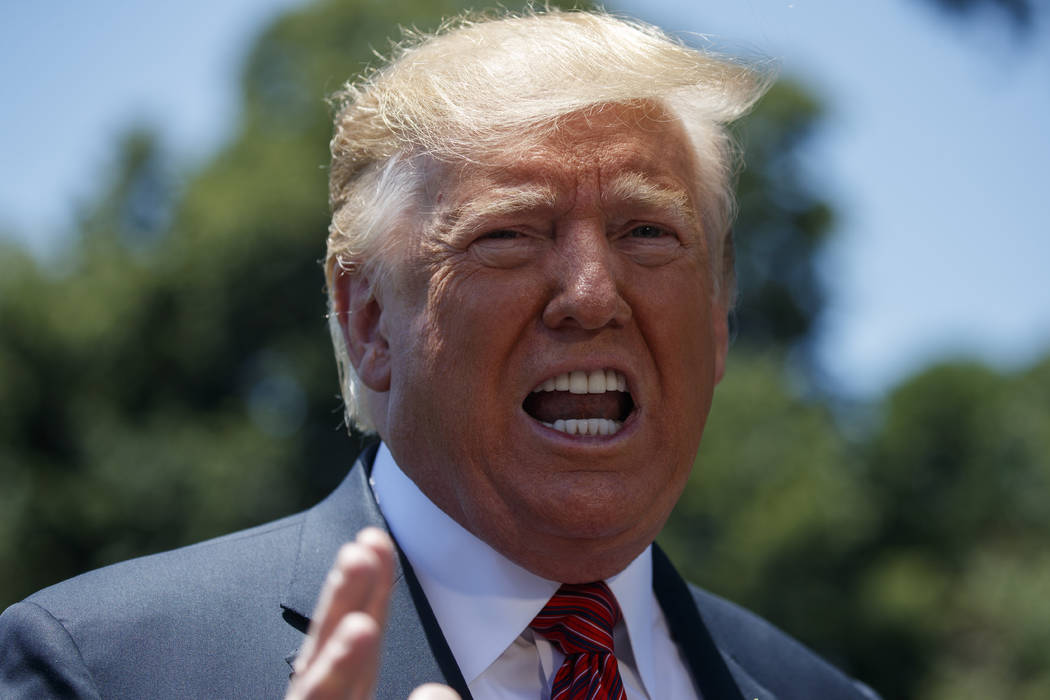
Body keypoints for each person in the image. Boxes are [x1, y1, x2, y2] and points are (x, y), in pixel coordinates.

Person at [0, 9, 878, 699]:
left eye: (647, 232)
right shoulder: (100, 669)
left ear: (719, 320)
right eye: (510, 235)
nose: (592, 294)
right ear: (369, 320)